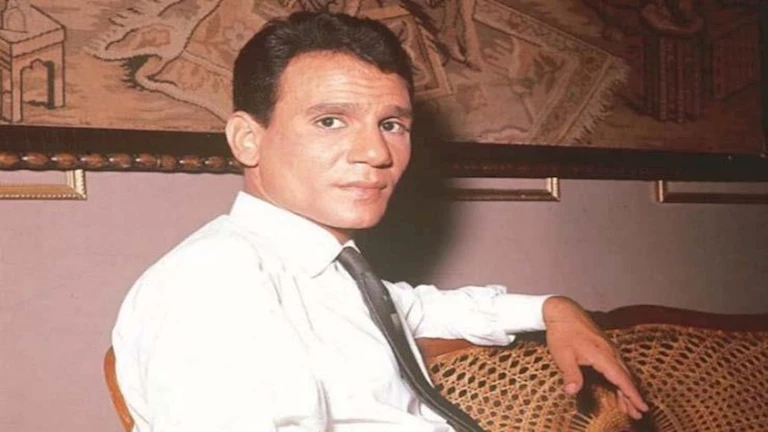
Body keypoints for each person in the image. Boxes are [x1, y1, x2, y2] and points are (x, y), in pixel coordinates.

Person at [112, 11, 648, 432]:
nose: (375, 152)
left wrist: (553, 309)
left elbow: (415, 307)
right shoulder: (214, 286)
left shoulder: (324, 268)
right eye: (330, 121)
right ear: (248, 139)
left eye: (391, 124)